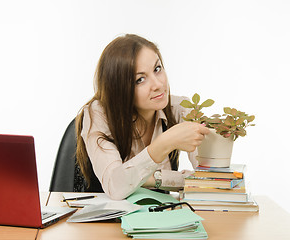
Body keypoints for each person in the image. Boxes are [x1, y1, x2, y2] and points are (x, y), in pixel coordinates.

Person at [75, 34, 209, 200]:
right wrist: (164, 144)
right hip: (103, 220)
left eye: (157, 69)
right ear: (119, 89)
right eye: (140, 80)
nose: (158, 85)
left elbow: (211, 178)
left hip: (159, 218)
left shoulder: (179, 108)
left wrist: (156, 180)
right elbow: (115, 187)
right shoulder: (98, 113)